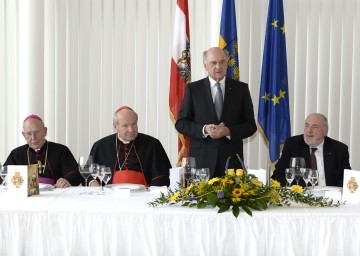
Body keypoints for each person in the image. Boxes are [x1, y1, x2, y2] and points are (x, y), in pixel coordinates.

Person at [175, 47, 257, 178]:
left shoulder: (241, 89)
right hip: (201, 163)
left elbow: (250, 126)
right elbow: (181, 123)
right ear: (205, 65)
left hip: (232, 164)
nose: (218, 66)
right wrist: (204, 129)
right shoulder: (193, 89)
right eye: (213, 63)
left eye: (222, 62)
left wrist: (228, 131)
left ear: (227, 63)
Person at [89, 106, 171, 186]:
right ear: (115, 127)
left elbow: (162, 175)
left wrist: (151, 192)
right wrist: (93, 183)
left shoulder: (152, 144)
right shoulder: (101, 146)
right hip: (110, 196)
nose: (131, 130)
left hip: (144, 196)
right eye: (125, 126)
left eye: (134, 124)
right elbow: (89, 174)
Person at [271, 113, 351, 187]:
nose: (309, 131)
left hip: (329, 198)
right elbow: (278, 175)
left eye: (315, 127)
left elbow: (347, 179)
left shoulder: (339, 149)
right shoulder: (293, 144)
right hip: (301, 197)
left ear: (325, 131)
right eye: (307, 126)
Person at [3, 114, 83, 187]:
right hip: (26, 197)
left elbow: (75, 172)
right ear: (24, 135)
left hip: (56, 194)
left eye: (37, 132)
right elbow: (4, 175)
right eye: (28, 134)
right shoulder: (16, 154)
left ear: (45, 131)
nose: (33, 137)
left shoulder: (61, 150)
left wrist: (67, 180)